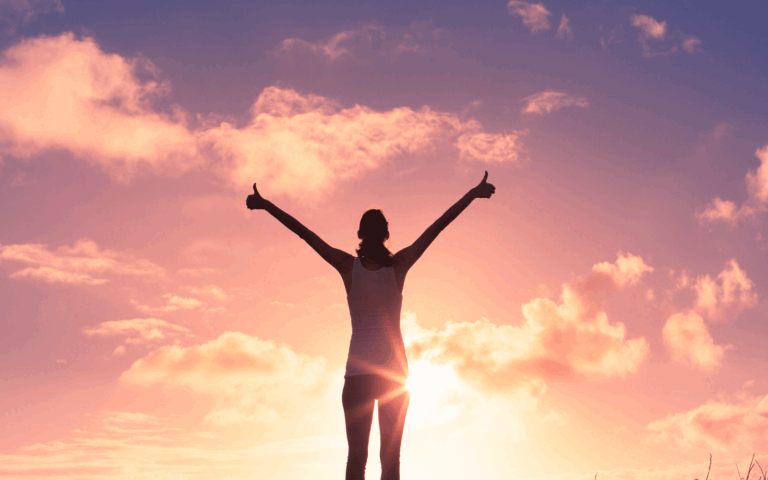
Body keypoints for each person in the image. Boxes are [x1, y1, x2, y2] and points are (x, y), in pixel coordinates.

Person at [246, 172, 496, 480]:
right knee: (390, 461)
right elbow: (438, 226)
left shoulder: (348, 267)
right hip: (394, 377)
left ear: (361, 234)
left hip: (359, 378)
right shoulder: (400, 265)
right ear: (386, 234)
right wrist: (472, 193)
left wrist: (265, 204)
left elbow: (305, 234)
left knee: (357, 460)